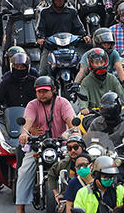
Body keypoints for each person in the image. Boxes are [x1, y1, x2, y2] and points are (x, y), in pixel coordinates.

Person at [16, 75, 78, 213]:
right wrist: (25, 132)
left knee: (79, 166)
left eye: (45, 91)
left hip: (60, 144)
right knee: (24, 171)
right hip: (38, 145)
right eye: (39, 91)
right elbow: (28, 121)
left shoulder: (63, 103)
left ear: (54, 89)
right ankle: (20, 208)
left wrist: (75, 132)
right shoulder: (32, 104)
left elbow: (70, 120)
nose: (41, 94)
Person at [0, 50, 38, 193]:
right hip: (9, 122)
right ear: (12, 67)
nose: (20, 70)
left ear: (28, 67)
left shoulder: (34, 82)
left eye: (22, 67)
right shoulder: (6, 82)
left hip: (31, 124)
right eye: (17, 67)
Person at [36, 0, 89, 74]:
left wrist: (84, 36)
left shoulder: (72, 12)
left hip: (69, 47)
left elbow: (78, 27)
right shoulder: (45, 12)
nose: (59, 0)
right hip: (50, 47)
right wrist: (41, 38)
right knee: (42, 73)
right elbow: (41, 29)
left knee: (82, 71)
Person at [86, 92, 124, 176]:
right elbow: (88, 142)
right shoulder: (96, 123)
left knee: (118, 179)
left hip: (118, 162)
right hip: (98, 160)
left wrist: (120, 159)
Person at [78, 49, 124, 116]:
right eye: (96, 62)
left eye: (101, 62)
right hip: (94, 117)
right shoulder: (86, 82)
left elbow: (122, 95)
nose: (99, 65)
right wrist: (84, 108)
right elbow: (83, 99)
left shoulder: (112, 78)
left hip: (112, 115)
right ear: (91, 63)